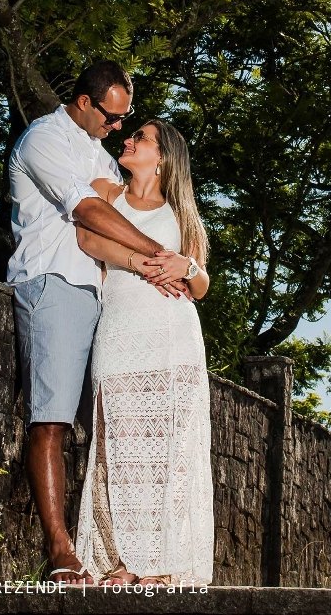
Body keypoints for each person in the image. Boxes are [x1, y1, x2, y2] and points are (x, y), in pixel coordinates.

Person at [7, 60, 183, 586]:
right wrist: (157, 254)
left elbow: (124, 202)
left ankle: (121, 556)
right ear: (85, 103)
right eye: (113, 118)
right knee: (52, 418)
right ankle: (60, 550)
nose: (118, 128)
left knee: (110, 434)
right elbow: (86, 210)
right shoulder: (44, 140)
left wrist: (177, 262)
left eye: (125, 120)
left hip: (99, 296)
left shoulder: (96, 150)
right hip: (54, 284)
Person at [74, 119, 214, 586]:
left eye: (141, 138)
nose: (128, 140)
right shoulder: (105, 193)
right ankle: (122, 560)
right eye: (130, 135)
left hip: (174, 341)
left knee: (167, 459)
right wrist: (139, 260)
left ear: (164, 156)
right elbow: (87, 238)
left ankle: (159, 566)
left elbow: (200, 285)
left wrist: (185, 264)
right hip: (119, 332)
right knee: (118, 451)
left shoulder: (182, 213)